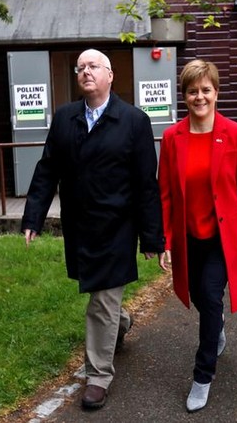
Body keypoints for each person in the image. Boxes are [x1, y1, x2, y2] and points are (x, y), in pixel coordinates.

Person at [21, 48, 165, 410]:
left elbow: (147, 183)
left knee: (101, 300)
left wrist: (152, 236)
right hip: (80, 226)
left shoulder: (134, 120)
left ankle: (98, 375)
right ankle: (122, 321)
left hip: (117, 227)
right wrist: (33, 218)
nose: (85, 72)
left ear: (110, 75)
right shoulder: (65, 117)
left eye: (93, 66)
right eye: (80, 67)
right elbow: (46, 170)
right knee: (104, 298)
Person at [158, 59, 237, 413]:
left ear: (216, 93)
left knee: (210, 295)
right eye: (192, 91)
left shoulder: (233, 133)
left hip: (223, 235)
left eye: (206, 89)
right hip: (190, 236)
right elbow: (166, 195)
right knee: (200, 298)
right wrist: (166, 241)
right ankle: (215, 327)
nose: (199, 96)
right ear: (184, 96)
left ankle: (202, 375)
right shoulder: (173, 138)